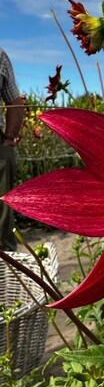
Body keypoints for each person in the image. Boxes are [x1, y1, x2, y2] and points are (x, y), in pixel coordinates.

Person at [0, 47, 24, 251]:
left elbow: (15, 103)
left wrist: (9, 138)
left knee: (3, 209)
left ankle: (6, 263)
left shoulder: (0, 56)